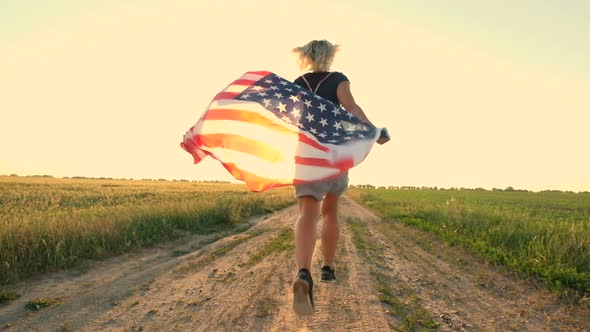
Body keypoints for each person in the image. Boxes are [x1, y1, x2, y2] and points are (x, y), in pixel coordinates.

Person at [290, 40, 389, 315]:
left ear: (306, 58)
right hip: (333, 152)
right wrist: (373, 130)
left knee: (306, 212)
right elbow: (351, 108)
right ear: (330, 57)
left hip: (306, 152)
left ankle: (303, 273)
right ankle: (328, 268)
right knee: (330, 210)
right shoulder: (338, 79)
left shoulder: (297, 82)